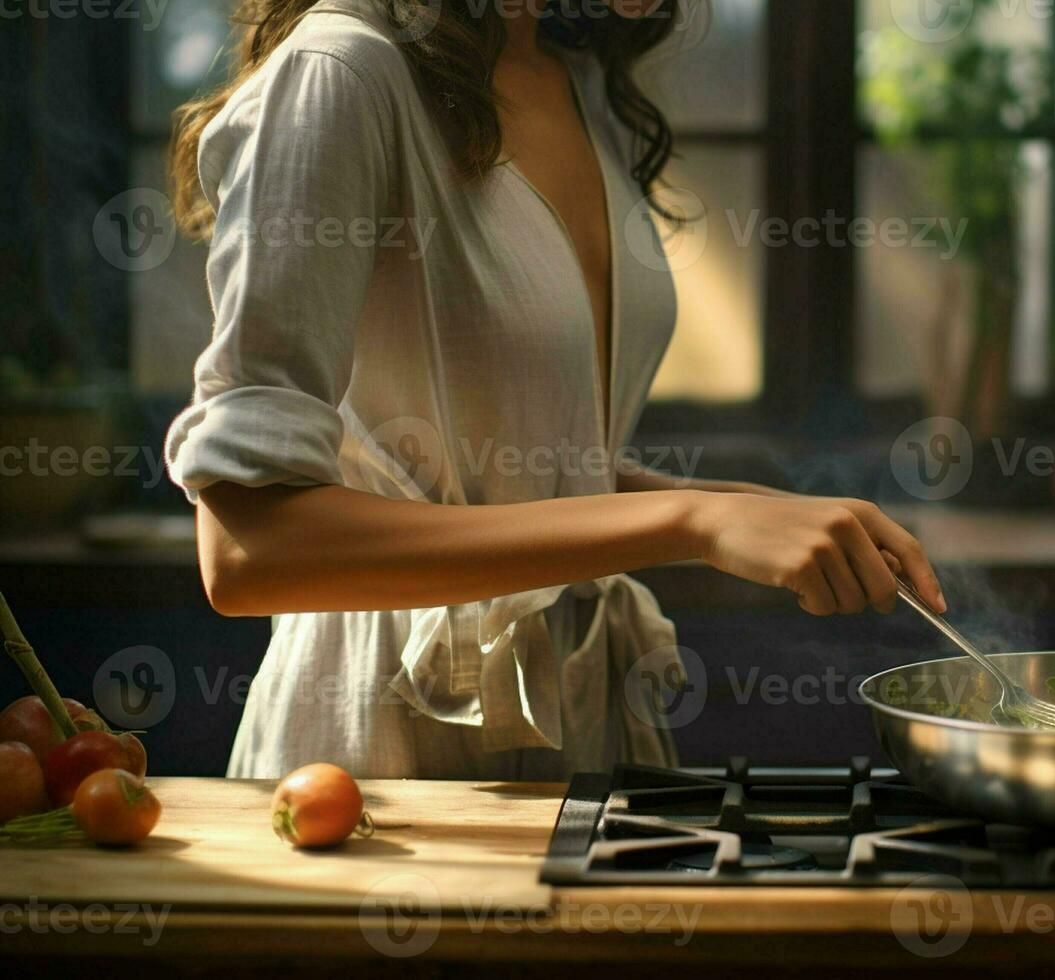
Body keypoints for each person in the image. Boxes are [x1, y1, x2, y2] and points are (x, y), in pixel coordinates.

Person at [165, 0, 946, 779]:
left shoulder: (576, 81)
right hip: (382, 747)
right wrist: (691, 519)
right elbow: (250, 550)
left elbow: (516, 466)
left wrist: (736, 508)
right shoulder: (340, 71)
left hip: (588, 715)